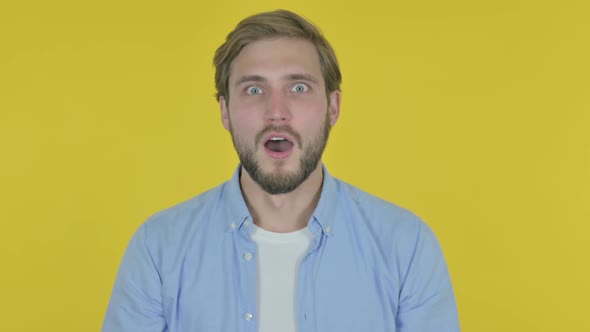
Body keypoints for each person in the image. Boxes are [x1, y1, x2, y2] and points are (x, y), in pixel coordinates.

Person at [102, 9, 460, 332]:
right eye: (254, 89)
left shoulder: (406, 246)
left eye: (299, 87)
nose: (277, 112)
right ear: (225, 111)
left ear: (332, 107)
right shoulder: (159, 248)